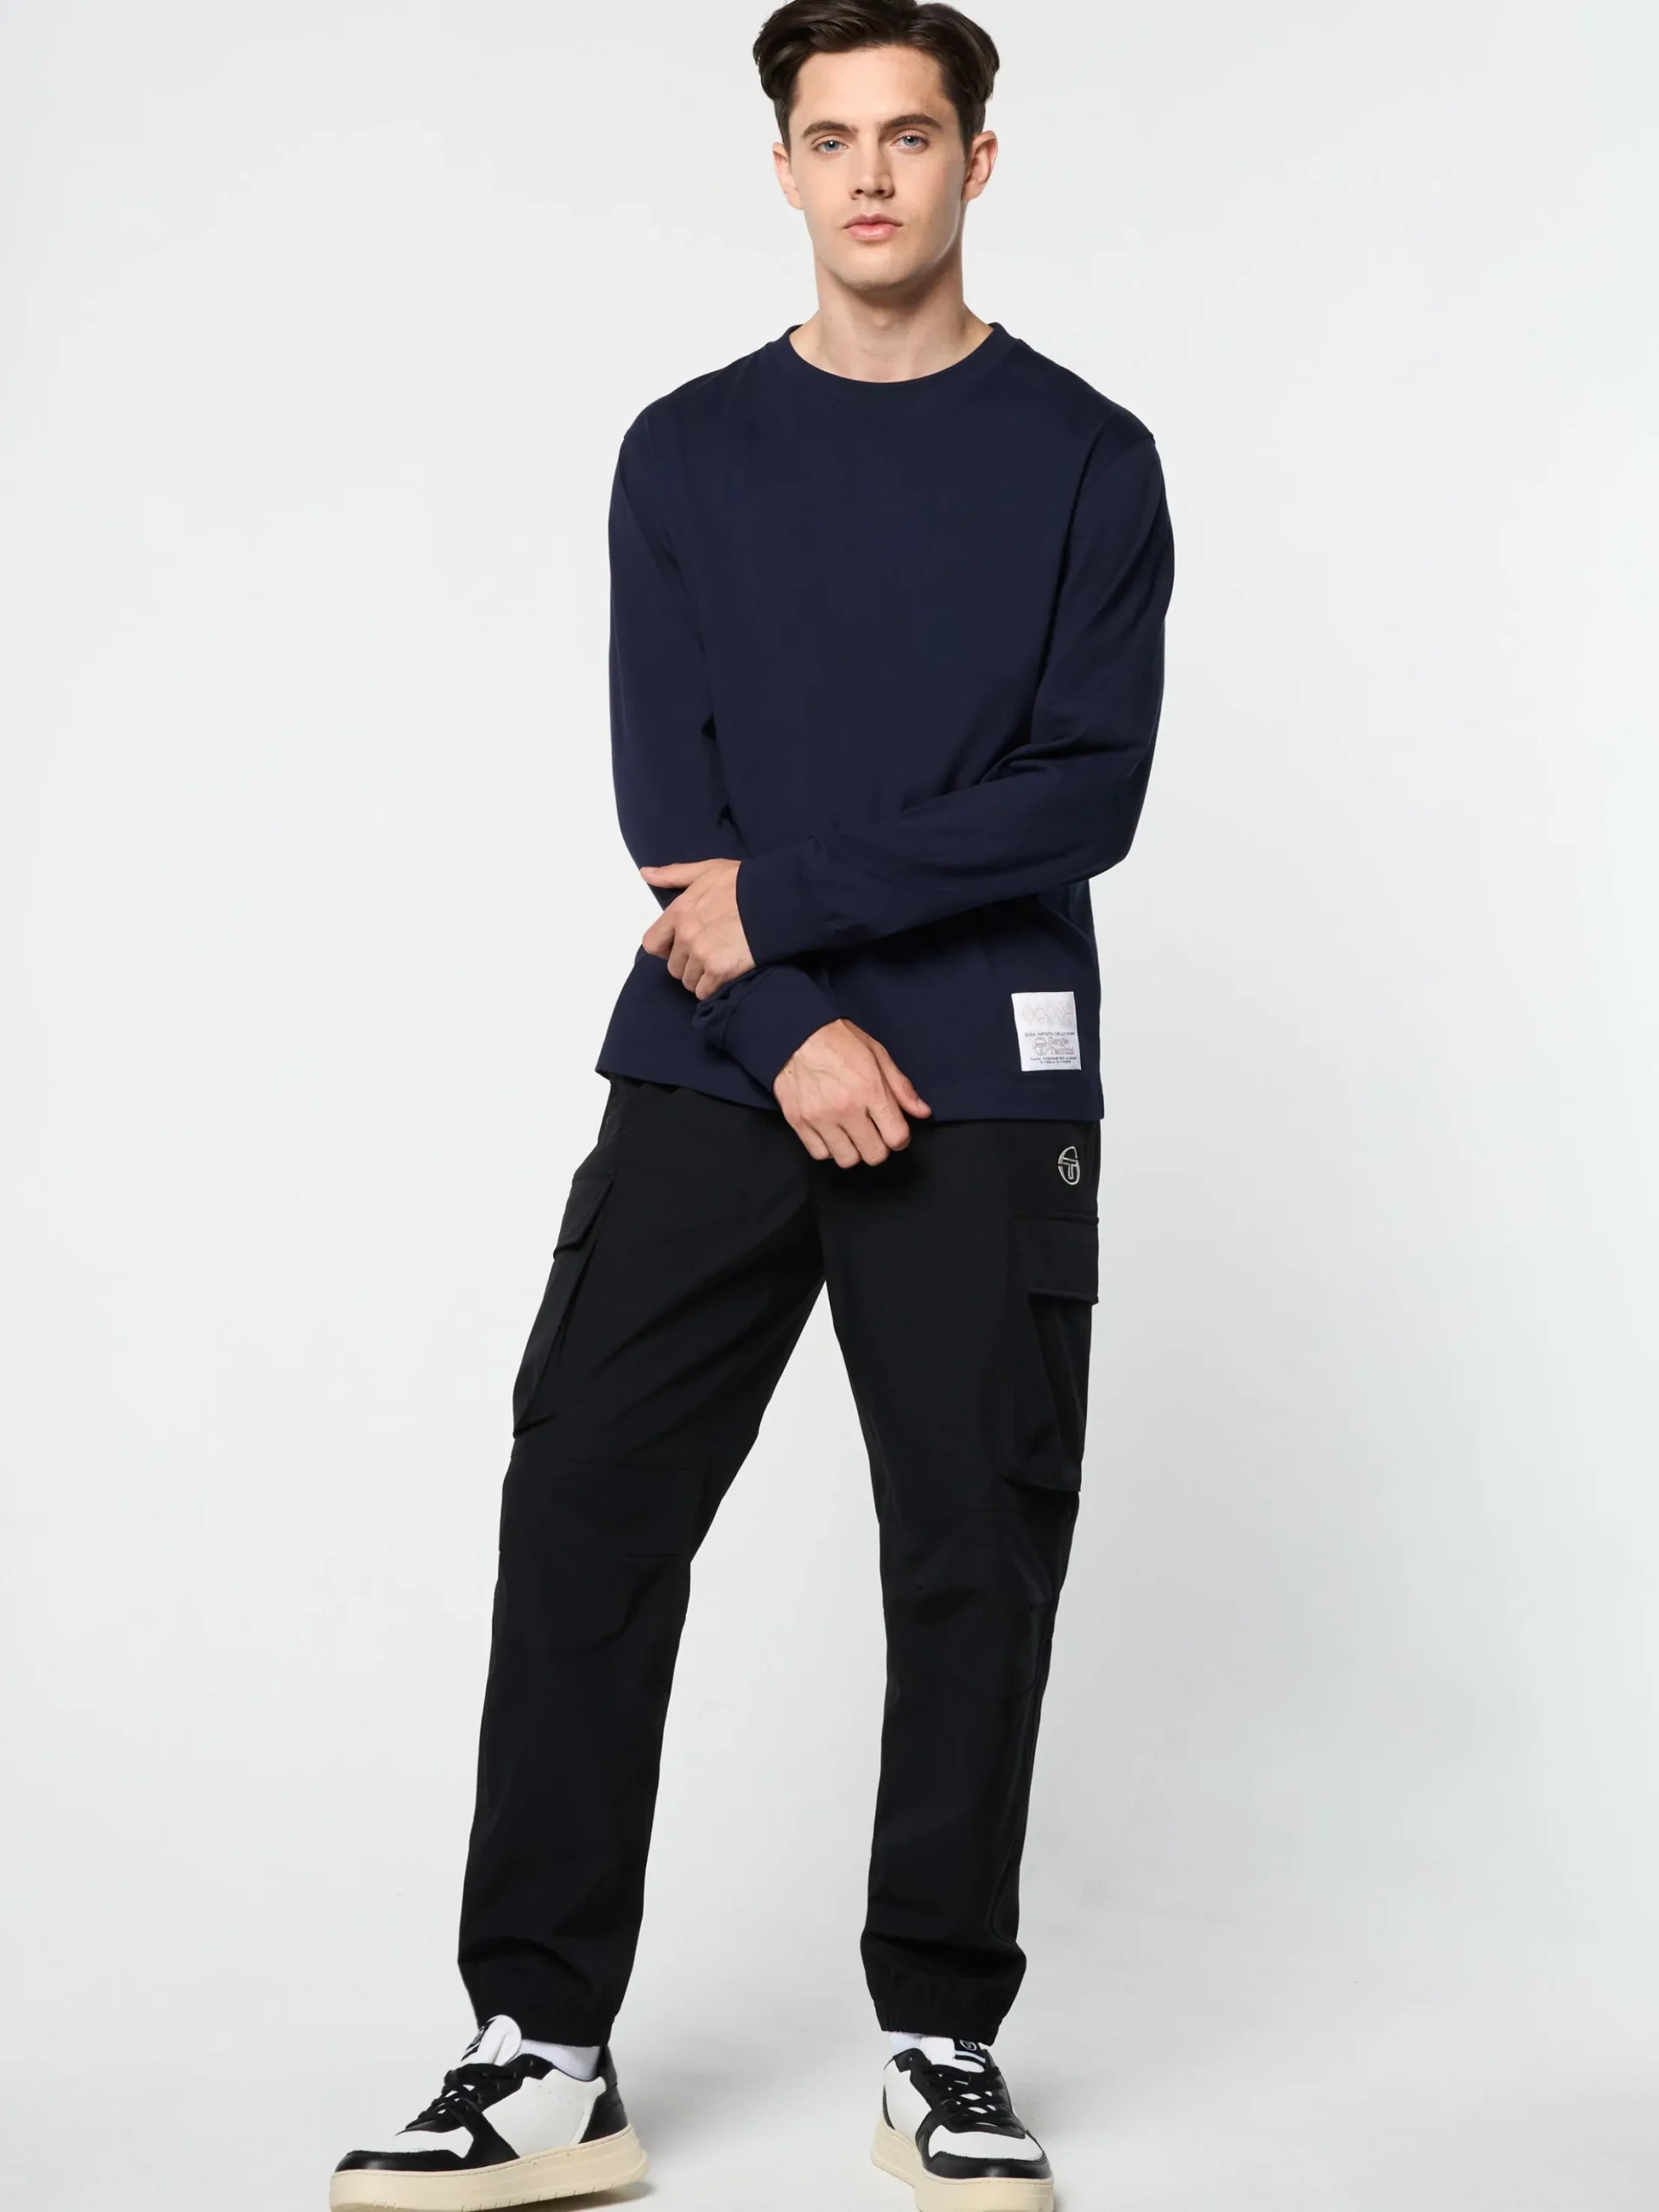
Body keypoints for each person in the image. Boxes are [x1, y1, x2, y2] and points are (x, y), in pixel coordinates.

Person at [328, 2, 1173, 2206]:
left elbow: (1083, 793)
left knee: (973, 1543)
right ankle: (542, 2044)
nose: (871, 173)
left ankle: (941, 2034)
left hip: (983, 1074)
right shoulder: (687, 452)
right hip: (720, 1057)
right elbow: (665, 797)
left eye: (912, 133)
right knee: (587, 1500)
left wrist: (783, 906)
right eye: (832, 136)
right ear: (785, 166)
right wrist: (790, 1014)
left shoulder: (1088, 458)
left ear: (980, 161)